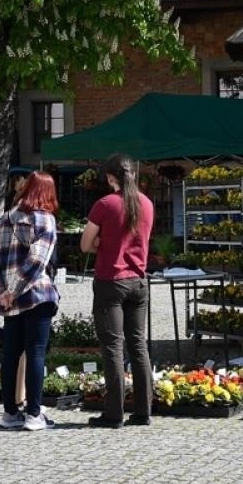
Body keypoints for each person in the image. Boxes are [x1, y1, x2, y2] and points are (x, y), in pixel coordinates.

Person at [80, 153, 153, 429]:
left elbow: (85, 245)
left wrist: (102, 242)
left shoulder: (105, 204)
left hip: (111, 280)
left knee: (112, 347)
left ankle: (114, 413)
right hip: (139, 280)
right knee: (138, 346)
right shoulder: (146, 203)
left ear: (111, 177)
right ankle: (144, 411)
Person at [0, 172, 61, 431]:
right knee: (36, 352)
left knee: (10, 354)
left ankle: (9, 412)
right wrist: (14, 291)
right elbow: (37, 262)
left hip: (9, 300)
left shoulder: (3, 220)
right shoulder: (45, 219)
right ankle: (34, 414)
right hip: (36, 295)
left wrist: (2, 292)